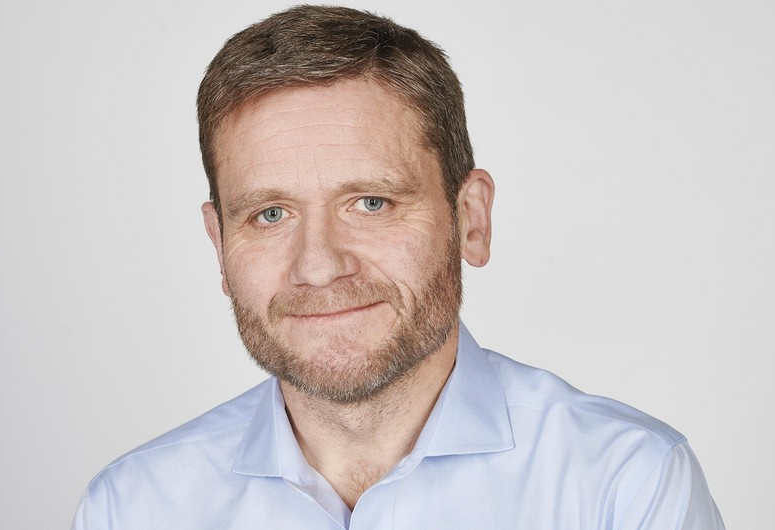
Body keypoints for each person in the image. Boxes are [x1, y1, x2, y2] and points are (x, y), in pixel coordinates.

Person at [72, 5, 725, 529]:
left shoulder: (625, 487)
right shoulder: (133, 509)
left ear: (470, 219)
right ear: (219, 246)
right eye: (270, 214)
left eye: (371, 203)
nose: (319, 267)